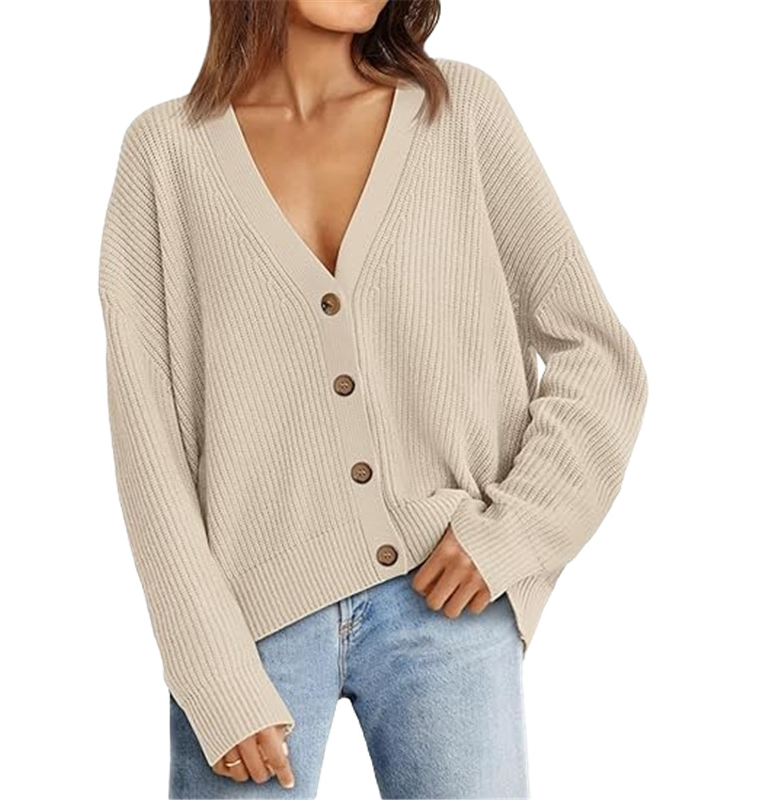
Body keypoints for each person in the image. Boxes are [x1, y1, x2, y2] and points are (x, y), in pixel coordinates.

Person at [97, 1, 649, 798]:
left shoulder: (460, 114)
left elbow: (598, 354)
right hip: (250, 625)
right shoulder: (164, 155)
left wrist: (513, 530)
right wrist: (210, 670)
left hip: (447, 601)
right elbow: (148, 442)